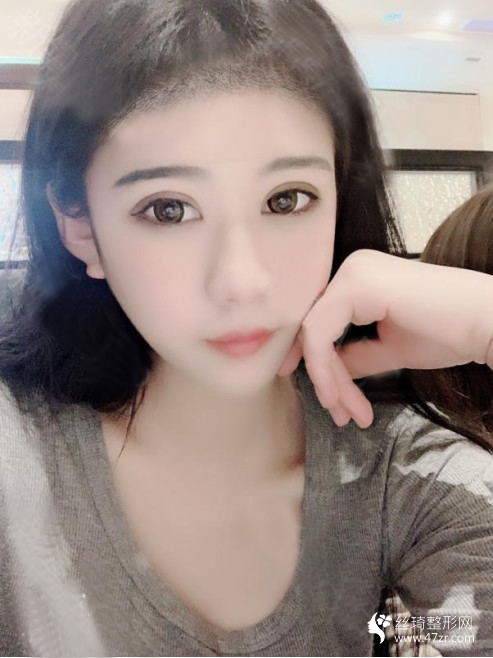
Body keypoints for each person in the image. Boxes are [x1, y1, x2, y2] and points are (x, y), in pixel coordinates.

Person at [0, 1, 492, 657]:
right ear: (81, 228)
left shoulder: (400, 472)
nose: (242, 280)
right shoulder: (18, 462)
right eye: (168, 209)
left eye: (286, 199)